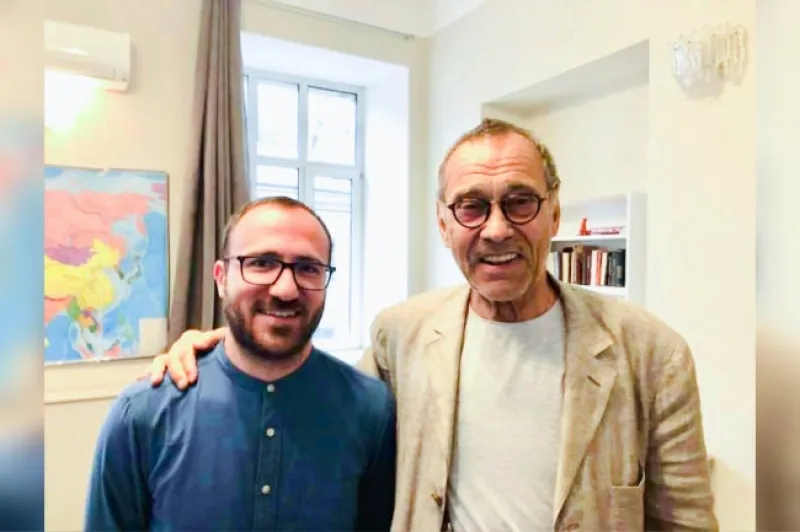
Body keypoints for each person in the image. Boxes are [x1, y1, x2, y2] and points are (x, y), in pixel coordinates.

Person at [149, 119, 718, 531]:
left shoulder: (650, 354)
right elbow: (321, 404)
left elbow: (686, 521)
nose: (496, 229)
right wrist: (227, 350)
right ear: (444, 225)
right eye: (472, 207)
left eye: (520, 202)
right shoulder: (401, 335)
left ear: (553, 213)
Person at [86, 196, 396, 531]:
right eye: (261, 263)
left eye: (308, 268)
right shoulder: (142, 413)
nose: (285, 289)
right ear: (221, 278)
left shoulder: (371, 411)